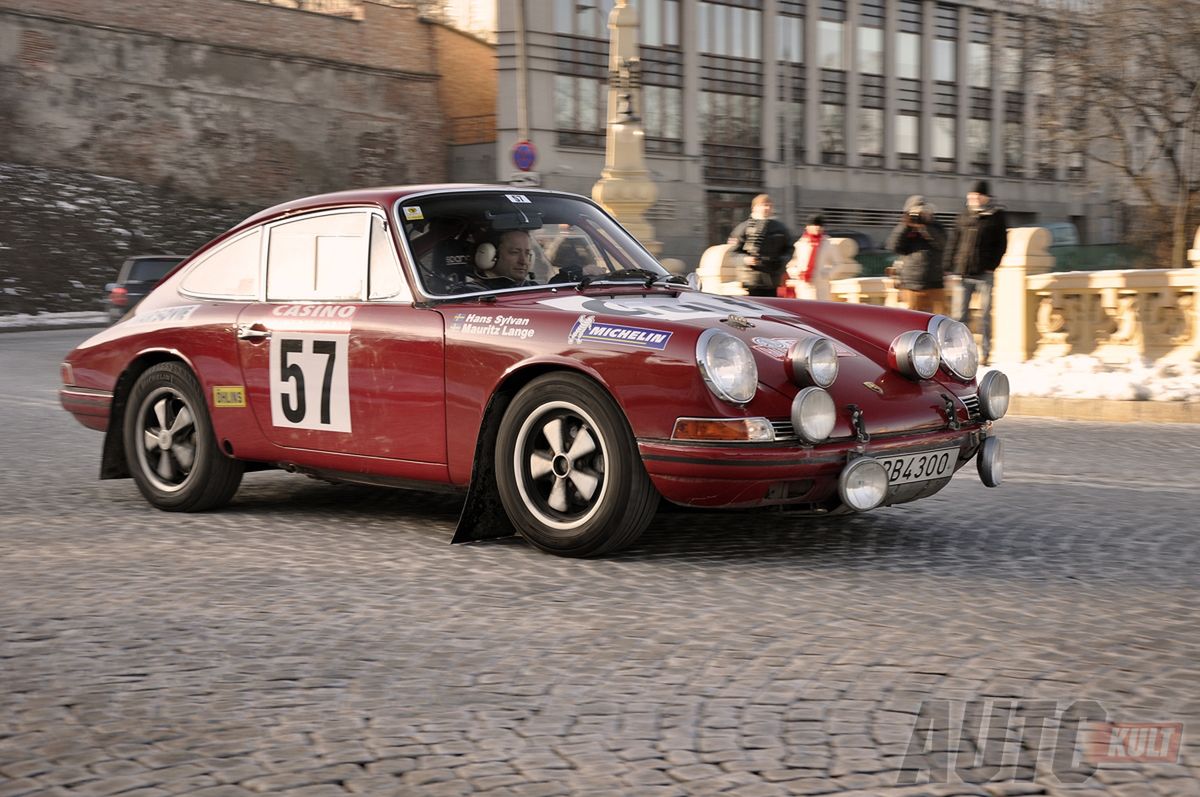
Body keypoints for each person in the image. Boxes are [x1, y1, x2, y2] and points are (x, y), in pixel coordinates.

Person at [946, 180, 1008, 364]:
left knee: (986, 315)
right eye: (971, 196)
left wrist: (992, 265)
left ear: (985, 197)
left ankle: (986, 354)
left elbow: (1002, 244)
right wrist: (948, 267)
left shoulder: (996, 216)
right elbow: (953, 243)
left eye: (977, 196)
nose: (973, 199)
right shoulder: (963, 216)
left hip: (985, 274)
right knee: (959, 317)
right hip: (964, 273)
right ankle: (962, 354)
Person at [886, 196, 947, 314]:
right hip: (911, 283)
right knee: (913, 319)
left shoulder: (936, 226)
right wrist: (906, 226)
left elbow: (944, 245)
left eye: (922, 211)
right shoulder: (905, 227)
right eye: (916, 212)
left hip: (935, 281)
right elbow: (894, 246)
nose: (919, 216)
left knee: (940, 319)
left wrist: (926, 227)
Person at [726, 194, 793, 297]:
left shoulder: (780, 228)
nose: (767, 208)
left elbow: (789, 249)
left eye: (770, 205)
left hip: (772, 279)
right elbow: (732, 252)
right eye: (763, 205)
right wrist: (745, 259)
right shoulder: (743, 228)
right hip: (751, 281)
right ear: (754, 208)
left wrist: (781, 261)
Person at [783, 214, 837, 301]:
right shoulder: (800, 244)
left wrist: (827, 274)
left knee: (822, 310)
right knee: (805, 309)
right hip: (804, 285)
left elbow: (837, 263)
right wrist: (796, 273)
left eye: (820, 225)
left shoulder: (828, 244)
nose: (817, 228)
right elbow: (791, 264)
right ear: (807, 227)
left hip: (821, 285)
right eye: (814, 225)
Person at [466, 229, 538, 290]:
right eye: (514, 252)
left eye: (527, 253)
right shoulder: (471, 294)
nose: (523, 261)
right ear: (490, 255)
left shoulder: (536, 289)